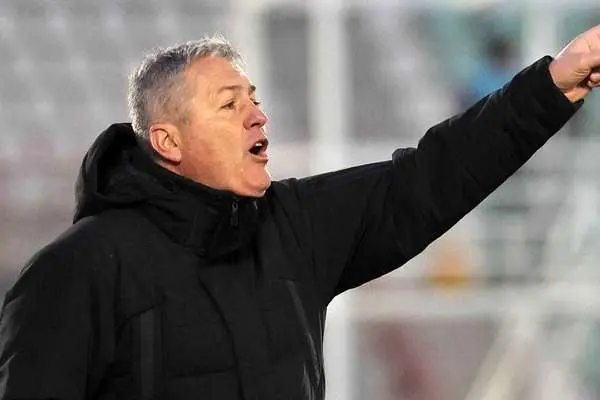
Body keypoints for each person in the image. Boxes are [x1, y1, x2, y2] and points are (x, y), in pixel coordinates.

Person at [0, 24, 599, 400]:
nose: (257, 115)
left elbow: (429, 177)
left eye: (254, 100)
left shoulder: (293, 225)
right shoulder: (75, 270)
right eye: (229, 104)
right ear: (168, 141)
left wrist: (553, 86)